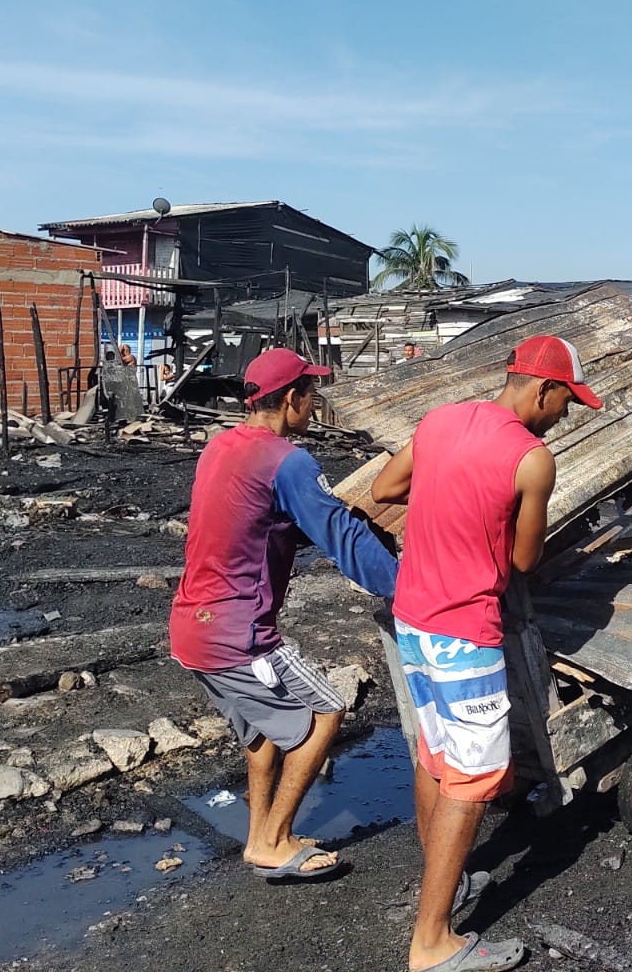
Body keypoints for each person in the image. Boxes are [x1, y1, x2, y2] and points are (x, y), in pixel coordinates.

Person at [370, 335, 603, 972]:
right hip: (464, 632)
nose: (565, 415)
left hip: (413, 616)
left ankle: (442, 881)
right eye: (567, 402)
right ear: (545, 389)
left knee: (436, 754)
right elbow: (525, 559)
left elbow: (386, 490)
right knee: (475, 780)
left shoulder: (441, 419)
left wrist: (444, 505)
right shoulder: (532, 458)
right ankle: (433, 941)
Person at [169, 348, 398, 879]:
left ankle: (262, 836)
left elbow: (252, 518)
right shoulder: (289, 461)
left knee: (262, 736)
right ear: (292, 398)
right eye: (310, 394)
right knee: (327, 712)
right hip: (239, 635)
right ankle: (272, 843)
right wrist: (405, 587)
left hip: (190, 628)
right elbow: (340, 536)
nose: (314, 404)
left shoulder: (219, 448)